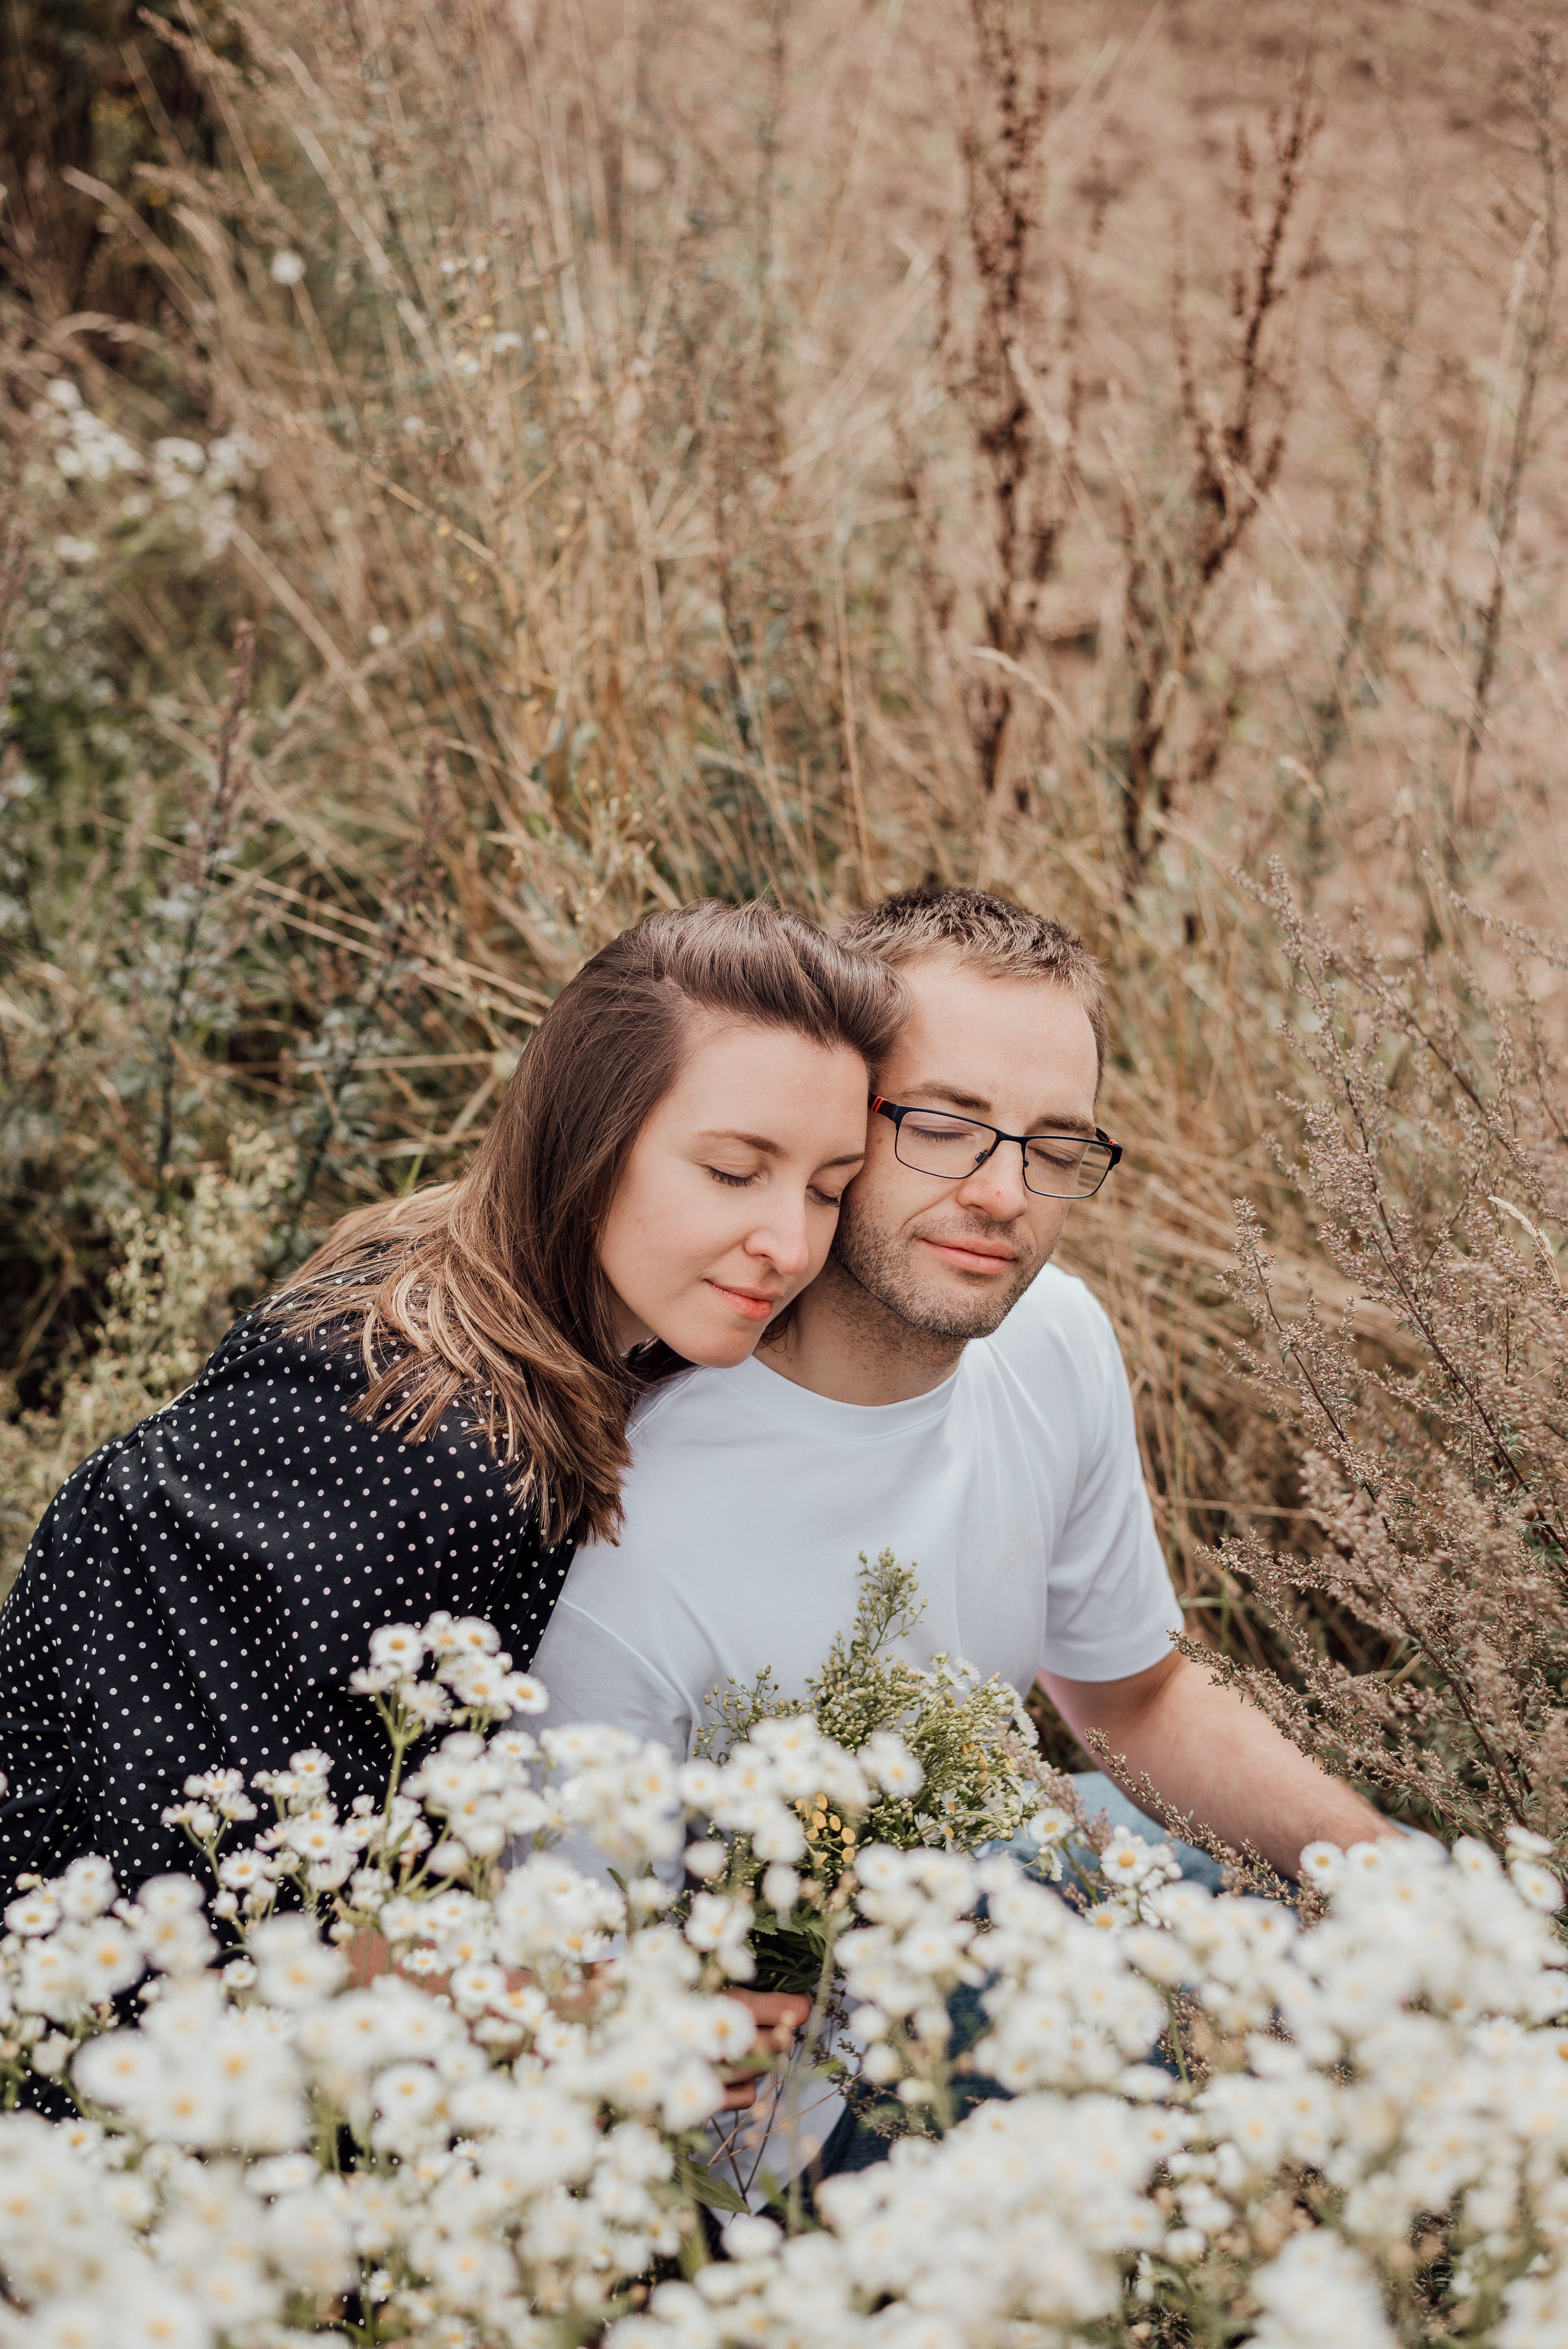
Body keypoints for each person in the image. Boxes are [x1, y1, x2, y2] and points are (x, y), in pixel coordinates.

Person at [0, 901, 905, 1896]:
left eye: (828, 1188)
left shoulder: (543, 1312)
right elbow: (226, 1873)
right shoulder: (399, 1421)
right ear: (588, 1138)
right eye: (735, 1171)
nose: (791, 1244)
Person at [532, 885, 1394, 1884]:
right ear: (836, 1119)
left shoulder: (1055, 1335)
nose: (1003, 1195)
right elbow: (573, 1967)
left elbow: (1137, 1700)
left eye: (1058, 1146)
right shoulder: (626, 1528)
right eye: (944, 1125)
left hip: (1005, 1857)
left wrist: (1388, 1873)